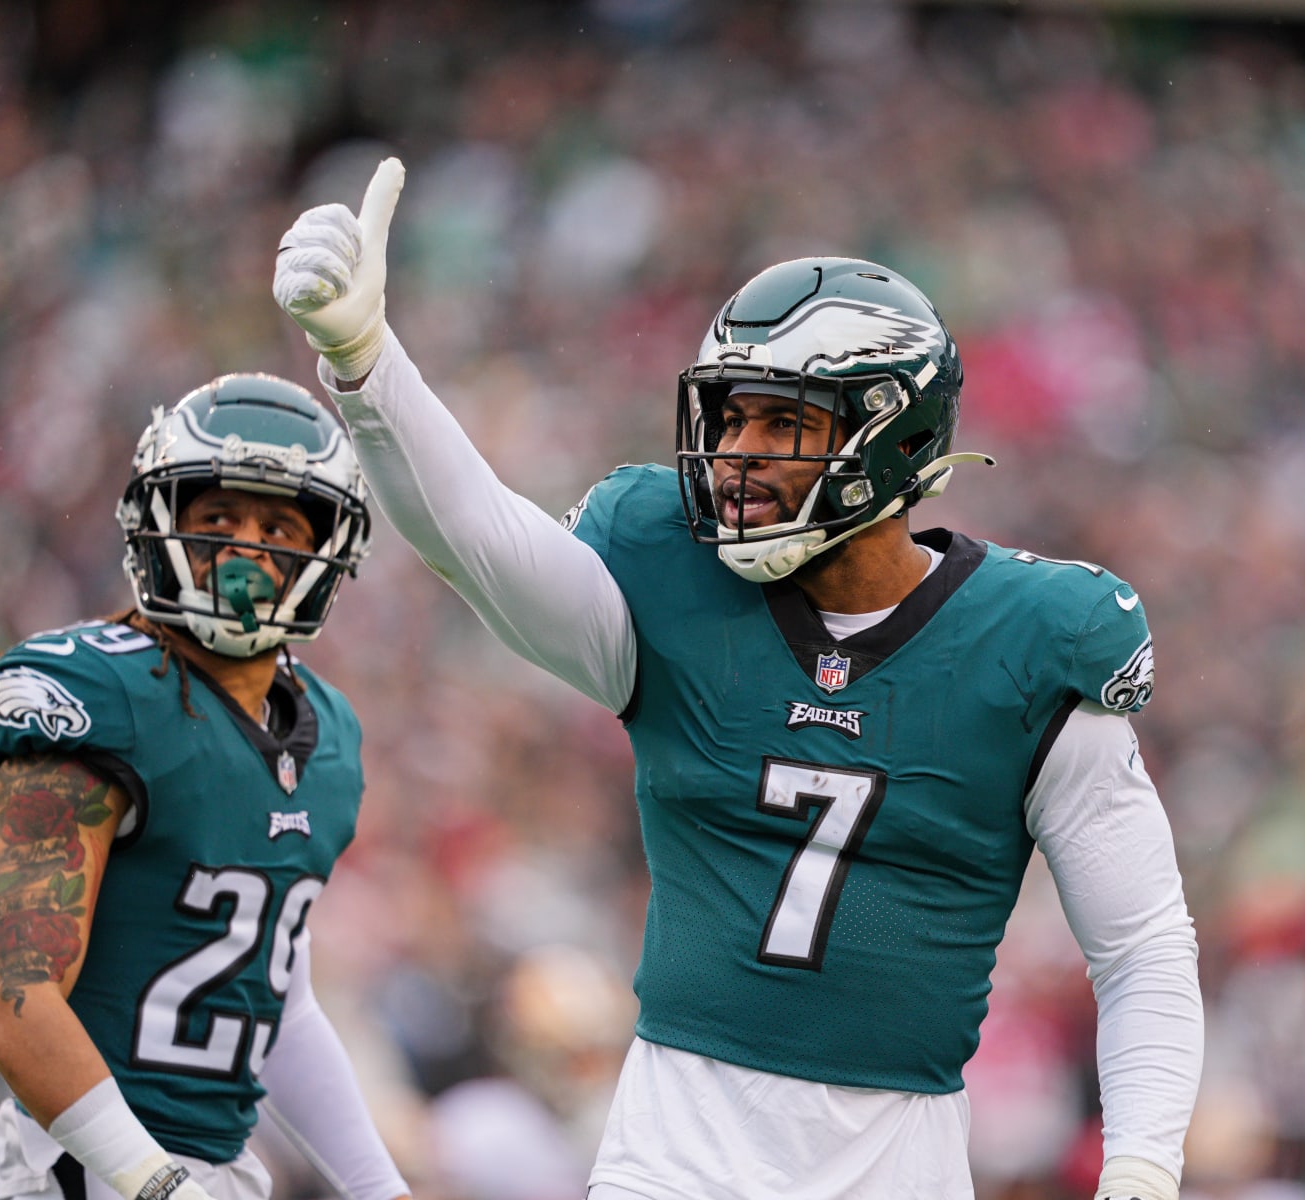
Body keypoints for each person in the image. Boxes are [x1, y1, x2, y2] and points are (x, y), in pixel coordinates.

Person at [275, 158, 1204, 1200]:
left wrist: (1141, 1168)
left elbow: (1142, 948)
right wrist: (366, 363)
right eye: (730, 419)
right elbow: (475, 540)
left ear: (894, 437)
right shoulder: (672, 582)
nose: (737, 457)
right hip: (673, 1149)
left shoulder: (1029, 642)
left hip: (895, 1161)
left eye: (782, 425)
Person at [0, 375, 411, 1200]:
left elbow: (281, 1004)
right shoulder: (96, 695)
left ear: (327, 550)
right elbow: (13, 995)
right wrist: (152, 1181)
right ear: (159, 525)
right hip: (75, 1168)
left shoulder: (326, 733)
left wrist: (381, 1188)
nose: (245, 551)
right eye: (217, 520)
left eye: (278, 526)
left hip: (216, 1169)